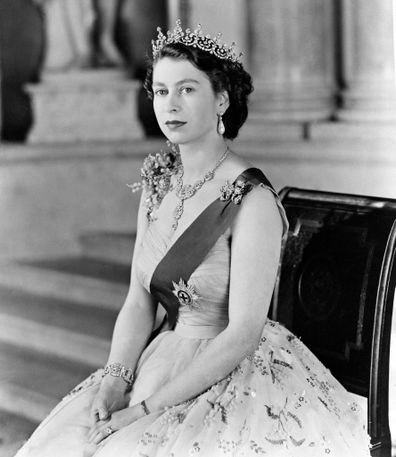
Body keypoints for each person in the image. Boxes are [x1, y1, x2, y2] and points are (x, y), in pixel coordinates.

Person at [15, 20, 371, 457]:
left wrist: (144, 409)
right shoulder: (158, 182)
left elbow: (242, 334)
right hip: (161, 359)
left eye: (187, 89)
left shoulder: (253, 200)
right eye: (162, 91)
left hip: (230, 370)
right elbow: (137, 300)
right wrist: (115, 380)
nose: (171, 105)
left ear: (221, 99)